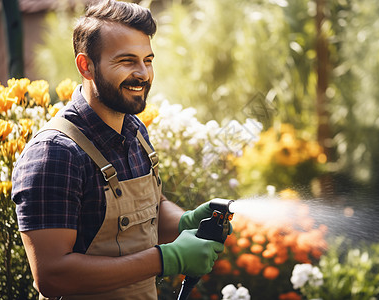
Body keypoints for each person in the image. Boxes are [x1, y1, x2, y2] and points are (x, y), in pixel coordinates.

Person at [11, 1, 224, 299]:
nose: (143, 74)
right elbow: (52, 275)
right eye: (127, 61)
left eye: (147, 60)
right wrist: (166, 259)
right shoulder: (56, 153)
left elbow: (150, 211)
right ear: (86, 66)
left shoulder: (135, 130)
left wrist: (186, 221)